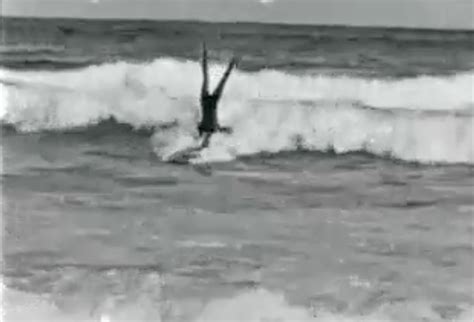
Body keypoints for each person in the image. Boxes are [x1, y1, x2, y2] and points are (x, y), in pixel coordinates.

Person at [198, 43, 237, 148]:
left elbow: (206, 74)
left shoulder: (209, 128)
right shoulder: (213, 128)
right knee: (216, 79)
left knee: (208, 78)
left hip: (207, 118)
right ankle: (206, 57)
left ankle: (206, 57)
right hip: (209, 121)